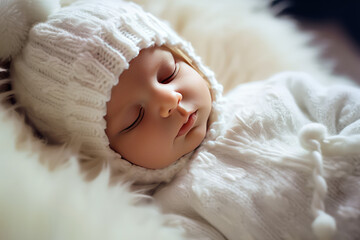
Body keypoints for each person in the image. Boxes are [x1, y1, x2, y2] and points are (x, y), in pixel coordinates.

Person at [1, 0, 359, 239]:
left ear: (188, 58)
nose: (169, 101)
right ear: (111, 155)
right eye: (135, 118)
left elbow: (345, 106)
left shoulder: (275, 92)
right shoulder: (175, 210)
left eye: (169, 74)